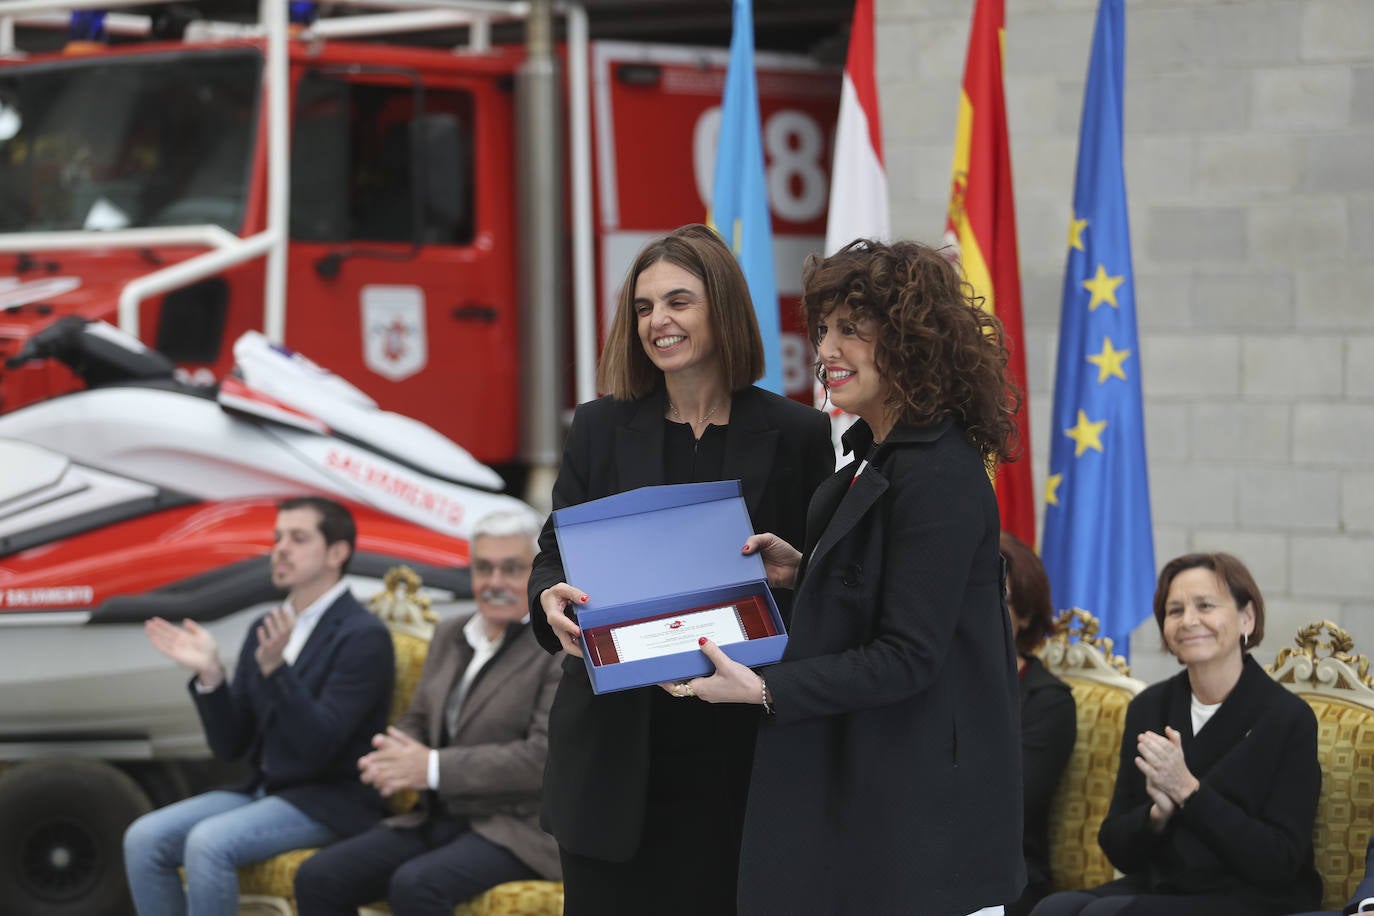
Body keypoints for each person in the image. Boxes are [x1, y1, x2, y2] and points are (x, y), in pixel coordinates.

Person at [685, 238, 1026, 915]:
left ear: (910, 342)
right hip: (873, 807)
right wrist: (805, 572)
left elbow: (908, 654)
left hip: (921, 834)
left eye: (851, 329)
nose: (825, 350)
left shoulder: (942, 474)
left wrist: (761, 687)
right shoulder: (884, 458)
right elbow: (896, 587)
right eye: (823, 330)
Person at [528, 223, 835, 916]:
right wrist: (549, 596)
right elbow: (556, 548)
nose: (658, 322)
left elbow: (825, 576)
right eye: (643, 308)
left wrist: (798, 573)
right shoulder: (600, 427)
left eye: (678, 302)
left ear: (721, 309)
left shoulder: (797, 435)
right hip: (615, 760)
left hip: (741, 759)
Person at [123, 496, 394, 916]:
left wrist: (276, 671)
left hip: (330, 800)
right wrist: (211, 675)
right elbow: (232, 747)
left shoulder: (363, 635)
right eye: (278, 537)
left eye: (298, 538)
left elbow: (319, 746)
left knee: (208, 842)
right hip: (262, 790)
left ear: (337, 553)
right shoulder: (265, 627)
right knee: (143, 838)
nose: (281, 548)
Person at [294, 509, 562, 915]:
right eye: (483, 568)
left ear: (536, 573)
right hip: (438, 815)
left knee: (416, 885)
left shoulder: (556, 647)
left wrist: (432, 767)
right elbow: (418, 717)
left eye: (511, 569)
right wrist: (395, 755)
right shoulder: (451, 632)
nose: (494, 582)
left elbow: (540, 759)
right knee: (319, 876)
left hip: (518, 827)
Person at [1031, 552, 1322, 916]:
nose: (1189, 621)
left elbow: (1280, 861)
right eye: (1175, 611)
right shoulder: (1150, 706)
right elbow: (1117, 844)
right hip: (1169, 884)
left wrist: (1188, 792)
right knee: (1053, 909)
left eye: (1205, 606)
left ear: (1247, 617)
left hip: (1255, 895)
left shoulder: (1287, 718)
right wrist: (1157, 815)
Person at [1000, 531, 1078, 916]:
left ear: (1026, 614)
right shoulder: (926, 681)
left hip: (1008, 877)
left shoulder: (1048, 700)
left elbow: (1010, 803)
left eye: (998, 597)